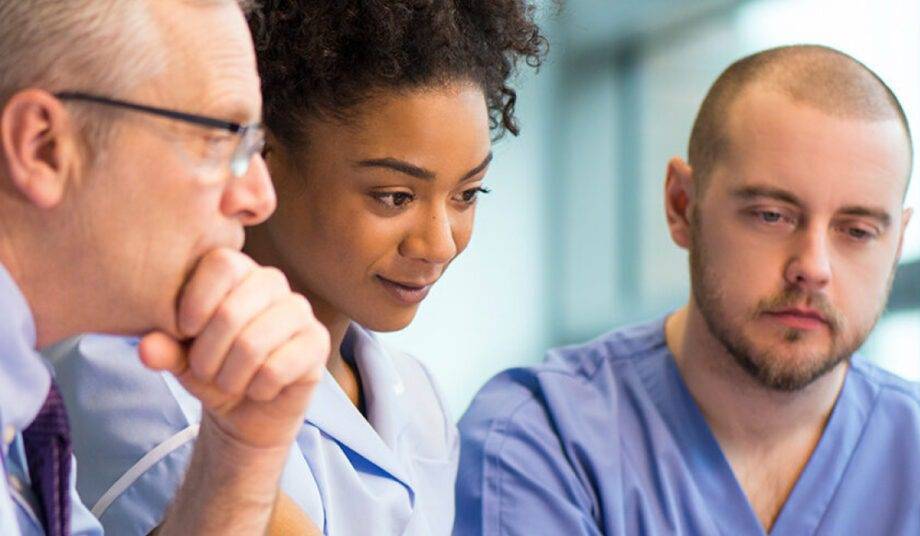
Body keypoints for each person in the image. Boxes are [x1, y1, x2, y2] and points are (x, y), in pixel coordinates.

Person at [455, 45, 920, 535]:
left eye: (857, 231)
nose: (813, 267)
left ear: (896, 244)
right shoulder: (540, 439)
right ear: (682, 205)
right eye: (772, 215)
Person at [48, 1, 548, 534]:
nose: (440, 243)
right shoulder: (133, 369)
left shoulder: (417, 398)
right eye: (394, 197)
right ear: (262, 160)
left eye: (468, 193)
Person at [0, 0, 331, 535]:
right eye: (221, 137)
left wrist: (241, 455)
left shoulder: (23, 405)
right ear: (43, 148)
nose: (259, 197)